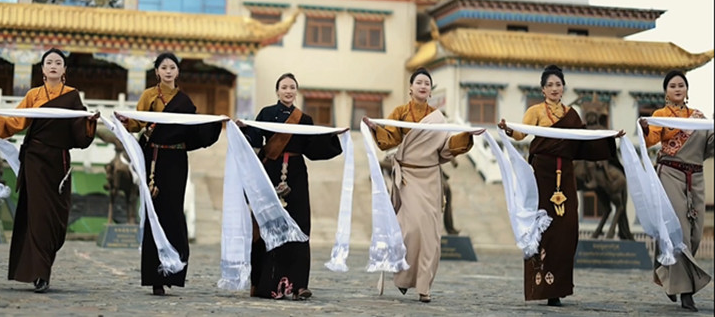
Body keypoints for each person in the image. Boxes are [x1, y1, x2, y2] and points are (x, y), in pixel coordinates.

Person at [498, 65, 623, 307]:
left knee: (568, 227)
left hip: (565, 173)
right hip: (542, 173)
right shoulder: (535, 111)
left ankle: (560, 285)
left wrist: (609, 137)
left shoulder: (571, 115)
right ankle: (544, 285)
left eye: (558, 84)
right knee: (544, 228)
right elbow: (521, 134)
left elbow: (583, 141)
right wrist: (508, 129)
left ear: (563, 88)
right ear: (543, 89)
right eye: (550, 85)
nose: (554, 89)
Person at [0, 48, 98, 293]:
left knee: (55, 218)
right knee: (37, 215)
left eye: (58, 62)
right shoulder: (33, 95)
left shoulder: (72, 96)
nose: (53, 66)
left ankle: (43, 266)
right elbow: (16, 121)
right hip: (34, 159)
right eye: (49, 62)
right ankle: (40, 274)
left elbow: (80, 132)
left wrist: (89, 122)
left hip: (58, 161)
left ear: (64, 70)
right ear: (42, 69)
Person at [363, 67, 478, 303]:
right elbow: (389, 140)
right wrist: (376, 128)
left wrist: (467, 136)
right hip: (407, 178)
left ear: (430, 90)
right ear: (411, 88)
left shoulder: (438, 118)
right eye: (419, 82)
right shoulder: (400, 112)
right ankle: (404, 277)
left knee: (430, 235)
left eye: (427, 83)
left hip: (430, 178)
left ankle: (424, 286)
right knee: (411, 229)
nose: (423, 86)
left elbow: (446, 147)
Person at [115, 52, 221, 296]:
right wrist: (125, 121)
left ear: (177, 71)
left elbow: (194, 129)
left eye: (172, 67)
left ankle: (173, 269)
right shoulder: (149, 96)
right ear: (157, 71)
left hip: (176, 161)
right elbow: (137, 123)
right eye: (164, 67)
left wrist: (216, 123)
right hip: (154, 159)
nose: (168, 71)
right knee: (155, 214)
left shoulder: (184, 101)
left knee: (173, 213)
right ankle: (155, 277)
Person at [242, 72, 343, 300]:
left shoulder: (304, 119)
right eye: (284, 87)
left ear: (296, 91)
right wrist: (243, 129)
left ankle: (298, 285)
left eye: (292, 87)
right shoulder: (267, 113)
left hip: (296, 174)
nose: (288, 91)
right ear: (277, 91)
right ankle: (266, 283)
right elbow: (254, 138)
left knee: (300, 226)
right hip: (270, 172)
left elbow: (313, 148)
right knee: (269, 226)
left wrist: (333, 136)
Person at [639, 70, 712, 312]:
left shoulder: (699, 117)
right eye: (673, 86)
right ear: (666, 92)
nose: (678, 89)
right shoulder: (660, 115)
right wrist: (645, 128)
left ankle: (669, 276)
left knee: (695, 234)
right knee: (679, 231)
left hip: (696, 176)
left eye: (681, 85)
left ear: (687, 90)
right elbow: (651, 139)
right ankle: (686, 292)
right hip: (670, 173)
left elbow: (710, 146)